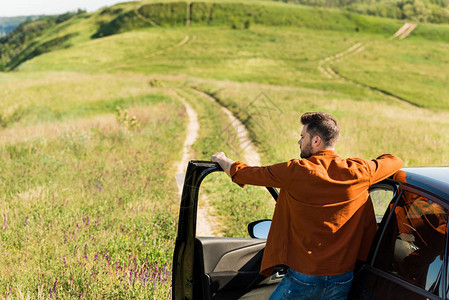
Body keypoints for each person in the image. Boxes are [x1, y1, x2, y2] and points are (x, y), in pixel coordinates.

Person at [211, 112, 403, 300]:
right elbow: (395, 161)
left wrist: (222, 160)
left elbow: (247, 173)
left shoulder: (296, 171)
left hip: (303, 278)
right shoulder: (360, 171)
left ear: (316, 141)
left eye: (303, 137)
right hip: (343, 279)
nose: (299, 141)